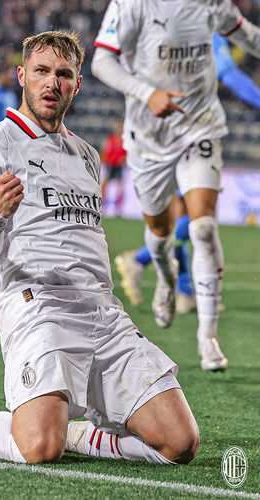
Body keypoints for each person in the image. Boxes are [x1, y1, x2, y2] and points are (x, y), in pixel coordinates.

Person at [0, 31, 199, 466]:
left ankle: (75, 432)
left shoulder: (86, 155)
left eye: (64, 74)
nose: (52, 82)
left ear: (77, 84)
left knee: (179, 444)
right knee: (39, 448)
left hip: (102, 313)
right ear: (22, 76)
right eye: (41, 72)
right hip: (39, 309)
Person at [92, 0, 260, 371]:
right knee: (159, 230)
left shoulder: (213, 4)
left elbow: (249, 37)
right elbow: (101, 61)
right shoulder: (132, 5)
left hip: (199, 128)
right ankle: (165, 278)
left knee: (202, 227)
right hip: (148, 137)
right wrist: (146, 93)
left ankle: (208, 336)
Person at [116, 32, 260, 315]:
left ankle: (183, 292)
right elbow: (229, 75)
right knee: (200, 214)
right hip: (185, 129)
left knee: (182, 214)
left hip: (157, 125)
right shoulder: (204, 25)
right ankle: (140, 260)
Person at [100, 118, 127, 215]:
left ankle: (118, 207)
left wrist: (124, 159)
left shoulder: (124, 140)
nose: (119, 128)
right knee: (104, 185)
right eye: (118, 126)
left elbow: (127, 153)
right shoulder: (110, 139)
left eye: (120, 127)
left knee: (120, 187)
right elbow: (105, 151)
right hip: (110, 165)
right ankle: (102, 205)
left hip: (119, 166)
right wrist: (105, 161)